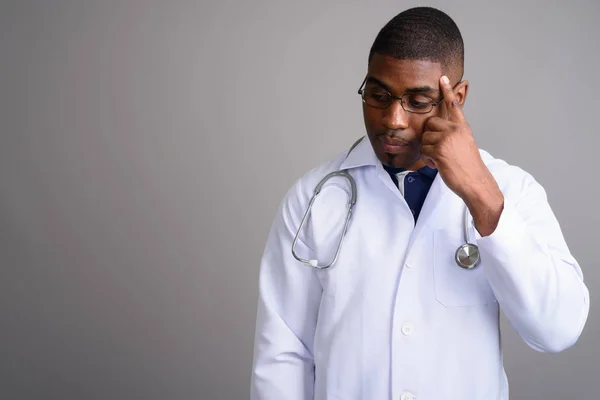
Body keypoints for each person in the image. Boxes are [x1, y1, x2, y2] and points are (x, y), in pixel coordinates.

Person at [250, 6, 590, 400]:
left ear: (456, 97)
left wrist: (482, 194)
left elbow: (558, 330)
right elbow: (283, 354)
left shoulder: (510, 190)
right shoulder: (314, 197)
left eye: (418, 100)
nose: (392, 119)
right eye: (379, 95)